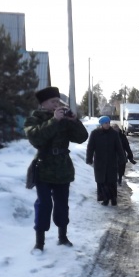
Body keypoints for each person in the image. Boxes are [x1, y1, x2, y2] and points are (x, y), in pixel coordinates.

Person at [24, 86, 88, 251]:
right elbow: (36, 138)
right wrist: (54, 120)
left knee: (62, 205)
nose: (56, 104)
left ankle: (63, 236)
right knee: (44, 204)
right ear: (43, 103)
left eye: (57, 101)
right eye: (53, 101)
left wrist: (74, 121)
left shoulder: (65, 118)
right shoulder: (34, 118)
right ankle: (39, 243)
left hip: (62, 168)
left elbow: (82, 138)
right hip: (44, 167)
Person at [86, 116, 126, 206]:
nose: (107, 125)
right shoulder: (95, 134)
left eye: (108, 123)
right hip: (100, 161)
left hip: (111, 161)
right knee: (102, 181)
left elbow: (119, 147)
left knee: (111, 181)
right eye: (105, 123)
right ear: (101, 124)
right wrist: (89, 158)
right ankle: (105, 199)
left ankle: (113, 198)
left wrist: (122, 158)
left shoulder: (114, 134)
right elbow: (90, 147)